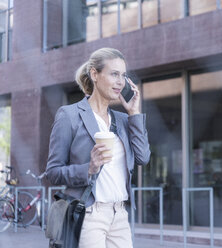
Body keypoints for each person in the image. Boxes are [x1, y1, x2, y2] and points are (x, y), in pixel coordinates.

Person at [46, 47, 151, 248]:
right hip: (89, 214)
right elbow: (53, 172)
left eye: (123, 75)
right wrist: (88, 169)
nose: (120, 82)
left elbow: (143, 157)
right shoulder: (69, 115)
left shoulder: (122, 120)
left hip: (119, 214)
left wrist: (134, 113)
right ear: (94, 74)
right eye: (114, 74)